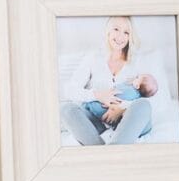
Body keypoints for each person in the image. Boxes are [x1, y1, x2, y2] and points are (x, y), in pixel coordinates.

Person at [60, 17, 164, 145]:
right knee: (66, 109)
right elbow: (70, 90)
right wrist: (98, 95)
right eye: (116, 29)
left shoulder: (137, 61)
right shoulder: (93, 58)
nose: (121, 36)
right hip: (97, 121)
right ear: (107, 31)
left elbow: (153, 97)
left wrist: (123, 109)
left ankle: (114, 147)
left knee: (143, 105)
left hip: (130, 121)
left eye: (126, 32)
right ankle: (100, 149)